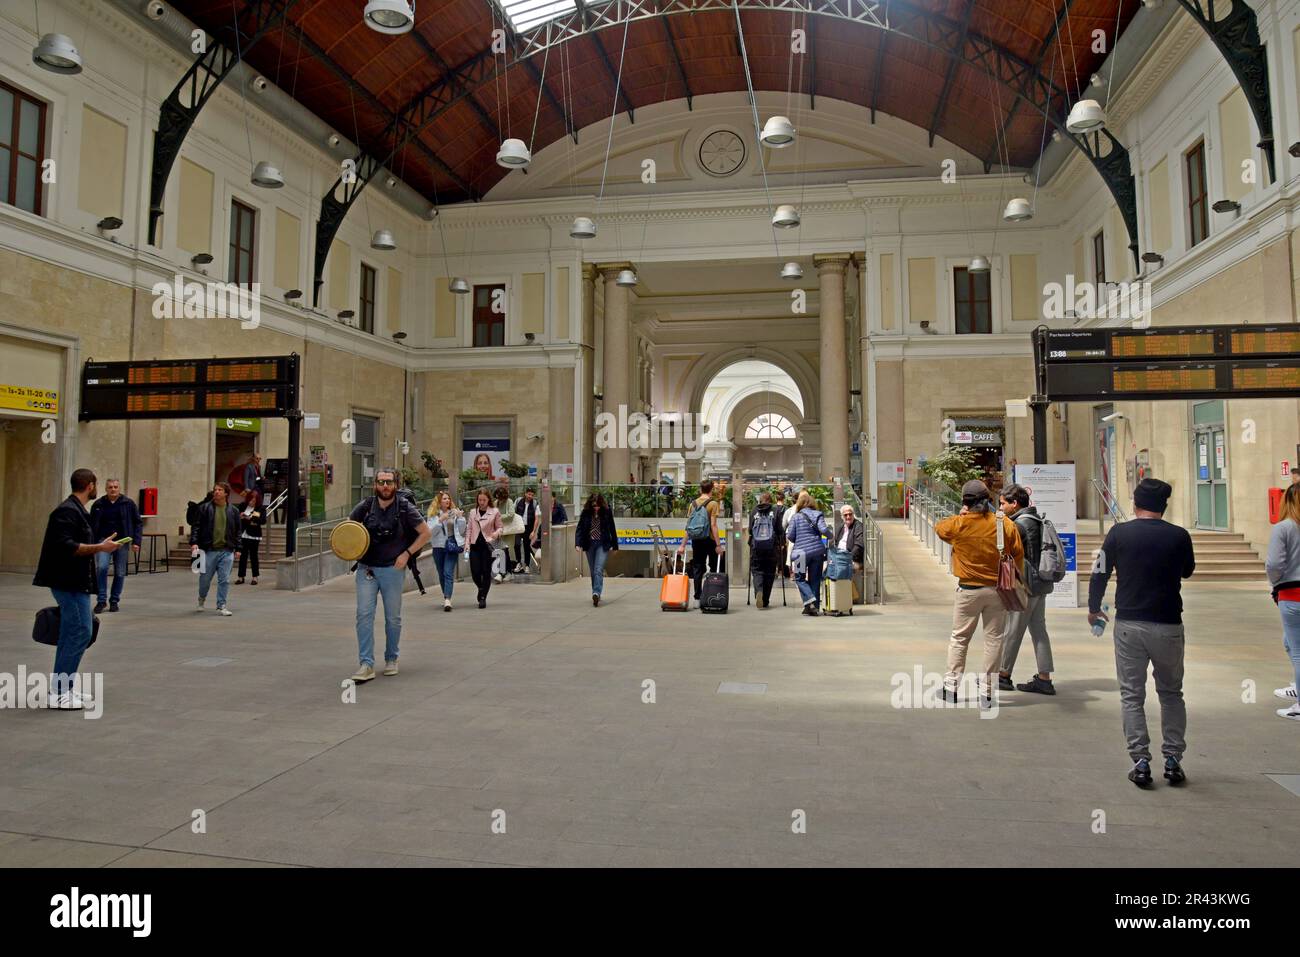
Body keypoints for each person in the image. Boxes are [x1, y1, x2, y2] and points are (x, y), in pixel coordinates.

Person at [1088, 477, 1195, 787]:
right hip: (1169, 623)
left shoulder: (1119, 533)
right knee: (1172, 693)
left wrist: (1094, 608)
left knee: (1132, 696)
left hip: (1129, 625)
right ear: (1164, 505)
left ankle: (1141, 761)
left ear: (1135, 503)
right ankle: (1173, 758)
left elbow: (1100, 572)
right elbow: (1188, 570)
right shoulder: (1179, 536)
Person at [34, 469, 123, 709]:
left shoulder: (75, 510)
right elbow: (67, 547)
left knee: (70, 633)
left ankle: (63, 689)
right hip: (68, 583)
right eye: (96, 485)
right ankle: (60, 692)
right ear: (90, 485)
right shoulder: (66, 511)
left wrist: (100, 546)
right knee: (81, 631)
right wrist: (100, 548)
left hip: (74, 583)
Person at [934, 479, 1023, 707]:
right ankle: (988, 693)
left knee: (959, 638)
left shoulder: (959, 524)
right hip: (997, 590)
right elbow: (1017, 554)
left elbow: (939, 528)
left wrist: (962, 514)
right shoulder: (1003, 524)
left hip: (968, 590)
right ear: (988, 500)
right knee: (994, 640)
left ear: (965, 502)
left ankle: (950, 688)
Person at [347, 468, 429, 681]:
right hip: (367, 568)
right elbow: (349, 529)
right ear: (375, 484)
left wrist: (407, 553)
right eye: (381, 482)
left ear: (395, 485)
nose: (385, 486)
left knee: (392, 618)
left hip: (393, 569)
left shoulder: (404, 507)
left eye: (389, 482)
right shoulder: (365, 507)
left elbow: (425, 533)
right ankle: (366, 664)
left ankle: (391, 657)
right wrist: (349, 548)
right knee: (364, 615)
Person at [996, 483, 1057, 695]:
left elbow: (1004, 551)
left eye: (1003, 503)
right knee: (1039, 631)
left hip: (1025, 585)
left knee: (1013, 630)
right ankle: (1044, 678)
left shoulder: (1019, 525)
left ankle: (1003, 675)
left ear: (1015, 504)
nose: (1000, 507)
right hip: (1040, 584)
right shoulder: (1037, 519)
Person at [1264, 483, 1300, 720]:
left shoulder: (1285, 528)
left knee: (1297, 650)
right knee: (1289, 642)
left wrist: (1275, 583)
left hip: (1292, 593)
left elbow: (1275, 564)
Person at [89, 477, 141, 613]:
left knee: (120, 572)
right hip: (103, 541)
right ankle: (101, 601)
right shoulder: (98, 504)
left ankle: (114, 601)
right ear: (106, 489)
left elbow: (137, 522)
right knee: (102, 568)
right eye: (110, 487)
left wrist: (136, 541)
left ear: (119, 488)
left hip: (121, 542)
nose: (113, 489)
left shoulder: (128, 504)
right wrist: (91, 544)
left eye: (115, 487)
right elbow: (91, 525)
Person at [190, 482, 242, 617]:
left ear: (226, 493)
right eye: (215, 490)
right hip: (208, 549)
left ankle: (221, 605)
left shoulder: (233, 511)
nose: (216, 492)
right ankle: (201, 598)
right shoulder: (204, 508)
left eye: (220, 490)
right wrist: (194, 542)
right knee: (205, 579)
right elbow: (196, 526)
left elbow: (237, 531)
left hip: (227, 550)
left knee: (224, 579)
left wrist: (238, 548)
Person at [678, 480, 724, 605]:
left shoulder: (692, 504)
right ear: (711, 489)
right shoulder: (713, 504)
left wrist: (682, 545)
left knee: (698, 568)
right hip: (709, 540)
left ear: (700, 489)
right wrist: (719, 545)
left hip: (696, 540)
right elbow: (713, 525)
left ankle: (698, 598)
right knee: (714, 567)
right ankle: (712, 594)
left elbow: (689, 527)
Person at [786, 491, 830, 615]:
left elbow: (790, 536)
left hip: (800, 553)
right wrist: (831, 536)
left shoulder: (795, 517)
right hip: (817, 552)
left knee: (799, 578)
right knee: (815, 579)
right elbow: (824, 530)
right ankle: (812, 607)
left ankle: (810, 600)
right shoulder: (818, 514)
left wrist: (798, 538)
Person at [575, 492, 619, 606]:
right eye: (594, 506)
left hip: (602, 544)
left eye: (598, 506)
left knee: (598, 569)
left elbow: (612, 528)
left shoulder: (606, 512)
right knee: (593, 571)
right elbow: (579, 528)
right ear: (590, 505)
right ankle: (595, 591)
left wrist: (615, 546)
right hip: (589, 544)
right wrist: (578, 544)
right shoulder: (585, 513)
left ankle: (596, 592)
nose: (596, 508)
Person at [427, 491, 466, 612]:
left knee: (448, 572)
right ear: (439, 501)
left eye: (448, 498)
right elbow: (430, 533)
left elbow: (462, 530)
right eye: (444, 499)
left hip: (451, 546)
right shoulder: (433, 515)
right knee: (441, 573)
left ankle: (447, 599)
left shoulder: (454, 512)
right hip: (438, 547)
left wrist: (460, 518)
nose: (447, 501)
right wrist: (440, 521)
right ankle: (446, 595)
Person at [466, 488, 503, 608]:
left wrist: (496, 533)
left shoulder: (495, 512)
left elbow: (500, 527)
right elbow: (469, 529)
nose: (481, 502)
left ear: (488, 500)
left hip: (488, 546)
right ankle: (481, 588)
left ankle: (483, 598)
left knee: (486, 572)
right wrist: (466, 544)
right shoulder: (472, 512)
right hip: (475, 546)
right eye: (479, 500)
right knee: (475, 572)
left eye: (484, 500)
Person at [749, 492, 779, 608]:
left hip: (756, 547)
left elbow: (751, 530)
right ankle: (765, 600)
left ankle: (758, 592)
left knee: (757, 571)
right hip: (771, 547)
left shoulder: (754, 511)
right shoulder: (775, 511)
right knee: (769, 573)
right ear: (770, 501)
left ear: (760, 501)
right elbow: (779, 529)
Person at [833, 503, 865, 601]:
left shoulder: (858, 526)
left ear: (853, 514)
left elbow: (859, 546)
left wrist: (847, 557)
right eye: (845, 515)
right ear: (842, 516)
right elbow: (835, 543)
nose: (848, 516)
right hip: (840, 558)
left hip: (854, 560)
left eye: (850, 514)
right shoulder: (840, 527)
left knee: (841, 568)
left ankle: (844, 597)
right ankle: (835, 595)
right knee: (826, 567)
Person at [235, 489, 267, 585]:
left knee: (254, 556)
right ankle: (241, 577)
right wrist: (240, 516)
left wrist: (251, 518)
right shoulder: (242, 506)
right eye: (250, 500)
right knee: (243, 556)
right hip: (244, 533)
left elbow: (262, 520)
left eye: (254, 500)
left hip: (254, 534)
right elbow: (237, 517)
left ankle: (255, 577)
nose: (252, 502)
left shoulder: (260, 508)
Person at [493, 484, 519, 582]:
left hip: (508, 532)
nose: (499, 500)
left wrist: (498, 516)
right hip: (499, 532)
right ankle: (506, 572)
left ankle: (504, 573)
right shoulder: (496, 503)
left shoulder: (509, 502)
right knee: (501, 552)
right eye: (497, 497)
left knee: (505, 551)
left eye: (501, 498)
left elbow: (511, 515)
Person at [514, 487, 540, 573]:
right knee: (517, 545)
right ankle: (519, 563)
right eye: (529, 494)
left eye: (532, 495)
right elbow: (513, 513)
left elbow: (536, 519)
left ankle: (527, 565)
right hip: (518, 527)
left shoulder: (535, 503)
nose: (530, 496)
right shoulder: (518, 501)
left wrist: (533, 531)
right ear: (525, 493)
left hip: (528, 528)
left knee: (526, 547)